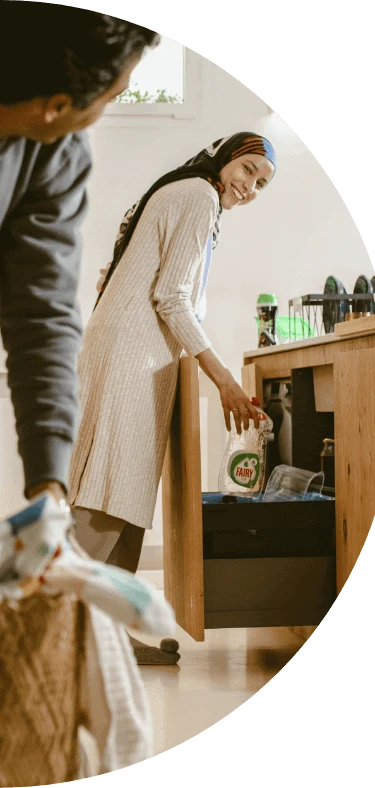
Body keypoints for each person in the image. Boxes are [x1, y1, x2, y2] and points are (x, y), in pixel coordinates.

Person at [69, 132, 277, 665]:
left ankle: (106, 642)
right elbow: (172, 296)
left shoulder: (188, 193)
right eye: (249, 168)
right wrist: (223, 377)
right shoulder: (199, 194)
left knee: (129, 496)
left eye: (261, 182)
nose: (250, 186)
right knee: (108, 490)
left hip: (138, 351)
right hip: (131, 352)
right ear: (227, 156)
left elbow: (145, 279)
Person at [0, 3, 159, 510]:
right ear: (57, 103)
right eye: (113, 97)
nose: (106, 109)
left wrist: (49, 483)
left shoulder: (55, 153)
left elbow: (42, 313)